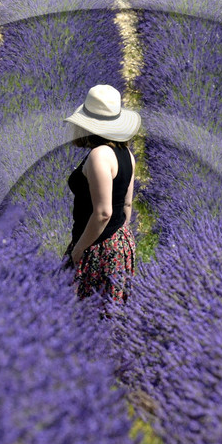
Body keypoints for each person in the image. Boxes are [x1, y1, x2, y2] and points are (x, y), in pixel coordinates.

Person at [63, 84, 141, 305]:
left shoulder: (99, 156)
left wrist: (79, 249)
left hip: (97, 245)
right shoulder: (126, 153)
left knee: (82, 311)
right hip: (120, 241)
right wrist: (119, 237)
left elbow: (103, 213)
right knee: (110, 310)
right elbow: (126, 205)